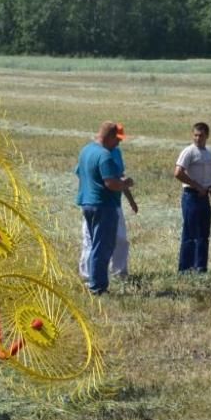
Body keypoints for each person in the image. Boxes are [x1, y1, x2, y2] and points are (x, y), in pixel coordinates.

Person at [75, 121, 134, 295]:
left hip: (87, 203)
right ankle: (98, 287)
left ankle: (93, 279)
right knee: (103, 247)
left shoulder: (86, 151)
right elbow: (111, 183)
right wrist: (126, 183)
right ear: (109, 136)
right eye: (117, 139)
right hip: (104, 206)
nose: (118, 143)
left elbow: (80, 174)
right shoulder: (105, 155)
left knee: (94, 244)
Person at [174, 122, 211, 272]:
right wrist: (197, 186)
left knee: (204, 234)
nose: (198, 138)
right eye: (195, 135)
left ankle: (200, 267)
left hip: (204, 198)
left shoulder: (208, 153)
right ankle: (185, 268)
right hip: (191, 196)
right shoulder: (189, 152)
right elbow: (178, 173)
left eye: (201, 135)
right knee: (190, 233)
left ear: (207, 136)